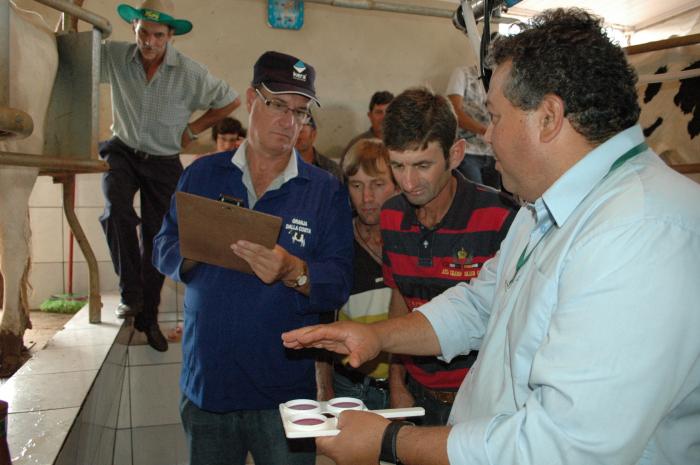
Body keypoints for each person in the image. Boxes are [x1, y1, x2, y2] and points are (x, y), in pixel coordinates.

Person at [282, 8, 700, 465]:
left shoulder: (640, 233)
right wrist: (379, 338)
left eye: (496, 118)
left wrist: (389, 442)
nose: (489, 137)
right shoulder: (545, 206)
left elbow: (563, 446)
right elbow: (482, 303)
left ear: (548, 117)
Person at [153, 50, 353, 465]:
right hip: (209, 386)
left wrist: (293, 272)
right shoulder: (202, 175)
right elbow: (162, 245)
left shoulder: (324, 190)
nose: (289, 121)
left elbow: (338, 280)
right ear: (250, 100)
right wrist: (194, 254)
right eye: (277, 104)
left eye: (299, 111)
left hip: (284, 394)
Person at [99, 0, 240, 351]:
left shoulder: (190, 72)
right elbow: (73, 59)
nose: (149, 42)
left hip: (163, 158)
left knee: (158, 236)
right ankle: (131, 295)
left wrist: (194, 129)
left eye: (158, 35)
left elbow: (231, 99)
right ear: (134, 30)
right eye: (143, 33)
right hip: (123, 148)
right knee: (115, 210)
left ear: (170, 36)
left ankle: (149, 315)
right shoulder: (115, 56)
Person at [379, 87, 516, 426]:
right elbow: (400, 296)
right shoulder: (391, 215)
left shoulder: (501, 216)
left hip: (482, 402)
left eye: (422, 165)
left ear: (455, 155)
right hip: (416, 393)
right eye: (398, 165)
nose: (409, 182)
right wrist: (397, 382)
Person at [315, 138, 399, 409]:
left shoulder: (412, 242)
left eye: (377, 184)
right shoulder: (337, 243)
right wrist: (323, 386)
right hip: (350, 386)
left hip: (406, 384)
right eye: (357, 185)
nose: (367, 198)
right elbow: (323, 318)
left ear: (397, 183)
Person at [447, 12, 500, 189]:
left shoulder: (501, 82)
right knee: (474, 197)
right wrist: (484, 130)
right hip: (468, 151)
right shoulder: (463, 74)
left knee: (496, 201)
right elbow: (455, 112)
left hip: (494, 153)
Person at [342, 90, 394, 158]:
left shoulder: (406, 143)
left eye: (388, 112)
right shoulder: (356, 145)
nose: (384, 117)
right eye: (379, 112)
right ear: (370, 116)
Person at [294, 114, 342, 180]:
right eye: (293, 132)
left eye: (301, 132)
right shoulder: (279, 166)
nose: (296, 136)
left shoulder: (330, 168)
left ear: (313, 135)